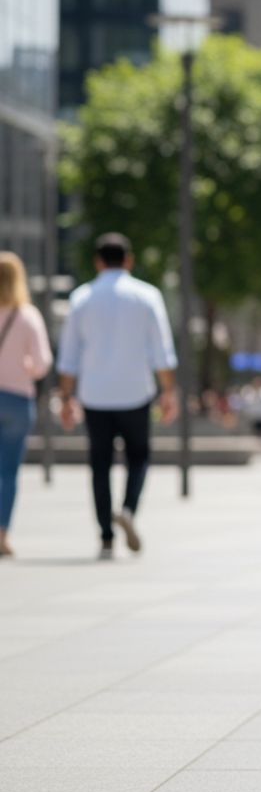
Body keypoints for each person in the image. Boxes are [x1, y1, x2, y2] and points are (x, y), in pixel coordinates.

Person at [55, 233, 178, 560]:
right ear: (129, 260)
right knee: (138, 458)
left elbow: (68, 357)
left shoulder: (81, 298)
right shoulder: (147, 296)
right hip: (136, 392)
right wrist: (168, 392)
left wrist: (66, 398)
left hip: (94, 395)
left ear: (97, 261)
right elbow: (162, 352)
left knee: (99, 465)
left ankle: (106, 536)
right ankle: (128, 509)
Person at [0, 252, 54, 558]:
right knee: (8, 471)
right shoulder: (27, 316)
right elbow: (43, 363)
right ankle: (2, 532)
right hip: (18, 400)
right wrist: (26, 367)